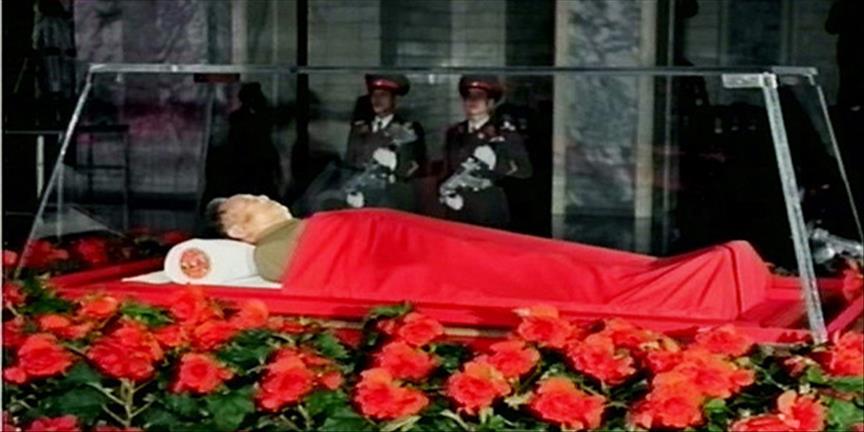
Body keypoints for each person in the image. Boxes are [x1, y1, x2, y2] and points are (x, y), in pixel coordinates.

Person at [206, 194, 771, 323]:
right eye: (249, 204)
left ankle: (652, 277)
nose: (264, 198)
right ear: (238, 232)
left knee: (543, 258)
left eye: (258, 194)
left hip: (422, 241)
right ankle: (664, 286)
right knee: (535, 271)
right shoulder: (279, 249)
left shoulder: (300, 228)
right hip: (418, 259)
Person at [441, 75, 532, 229]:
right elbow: (447, 170)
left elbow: (525, 170)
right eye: (468, 96)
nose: (472, 101)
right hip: (456, 204)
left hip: (488, 203)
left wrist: (495, 162)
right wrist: (446, 195)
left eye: (479, 97)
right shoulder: (455, 132)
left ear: (490, 102)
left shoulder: (504, 134)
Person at [343, 74, 426, 211]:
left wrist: (394, 163)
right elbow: (349, 164)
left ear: (394, 99)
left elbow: (418, 167)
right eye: (374, 95)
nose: (377, 100)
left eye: (383, 95)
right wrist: (350, 191)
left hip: (392, 201)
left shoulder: (408, 129)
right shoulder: (359, 129)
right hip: (360, 200)